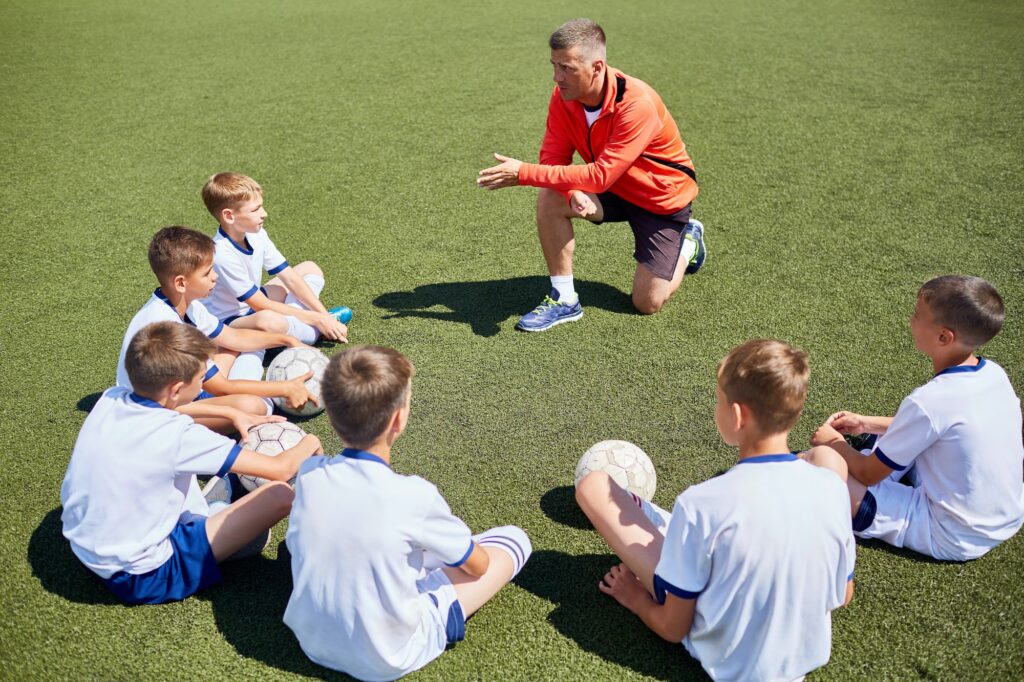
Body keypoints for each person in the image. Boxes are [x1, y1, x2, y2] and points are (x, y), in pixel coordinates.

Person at [576, 339, 854, 681]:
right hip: (803, 658)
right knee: (827, 458)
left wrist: (635, 598)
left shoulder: (700, 503)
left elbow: (673, 627)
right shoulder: (831, 489)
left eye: (718, 401)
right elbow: (843, 594)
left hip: (726, 658)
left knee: (593, 486)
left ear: (737, 415)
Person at [283, 345, 532, 680]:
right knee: (513, 540)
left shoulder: (310, 474)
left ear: (332, 415)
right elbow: (479, 566)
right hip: (388, 656)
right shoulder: (414, 496)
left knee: (403, 548)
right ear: (398, 419)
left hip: (312, 642)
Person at [62, 321, 322, 605]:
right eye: (201, 378)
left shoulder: (111, 399)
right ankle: (217, 518)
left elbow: (177, 409)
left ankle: (213, 516)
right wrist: (310, 441)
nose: (203, 384)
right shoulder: (177, 435)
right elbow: (280, 469)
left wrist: (230, 414)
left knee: (175, 472)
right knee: (280, 494)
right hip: (144, 574)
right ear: (175, 389)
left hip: (86, 550)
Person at [477, 18, 706, 331]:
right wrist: (571, 193)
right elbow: (554, 160)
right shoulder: (563, 97)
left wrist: (523, 173)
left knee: (647, 303)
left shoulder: (637, 103)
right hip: (612, 188)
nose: (557, 77)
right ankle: (564, 299)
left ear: (597, 67)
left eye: (567, 68)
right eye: (554, 66)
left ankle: (689, 241)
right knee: (551, 195)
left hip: (659, 199)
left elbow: (601, 174)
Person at [804, 275, 1024, 561]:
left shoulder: (929, 401)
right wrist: (865, 423)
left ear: (944, 337)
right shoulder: (994, 373)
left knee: (816, 469)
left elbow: (869, 473)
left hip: (951, 532)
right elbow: (941, 428)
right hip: (1003, 516)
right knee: (878, 442)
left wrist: (834, 444)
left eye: (918, 315)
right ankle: (878, 459)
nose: (911, 319)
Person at [115, 226, 318, 433]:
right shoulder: (167, 329)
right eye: (207, 273)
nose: (215, 277)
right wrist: (285, 388)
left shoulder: (188, 305)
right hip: (156, 415)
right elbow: (222, 387)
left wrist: (287, 340)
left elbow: (233, 337)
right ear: (181, 283)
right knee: (254, 406)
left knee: (229, 347)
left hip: (183, 390)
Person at [200, 172, 349, 354]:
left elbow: (289, 277)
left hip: (253, 304)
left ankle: (311, 324)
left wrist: (324, 315)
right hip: (230, 320)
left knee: (310, 268)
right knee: (268, 320)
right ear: (229, 216)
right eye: (255, 209)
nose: (264, 214)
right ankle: (314, 331)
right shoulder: (221, 253)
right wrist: (316, 319)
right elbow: (260, 305)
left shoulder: (257, 234)